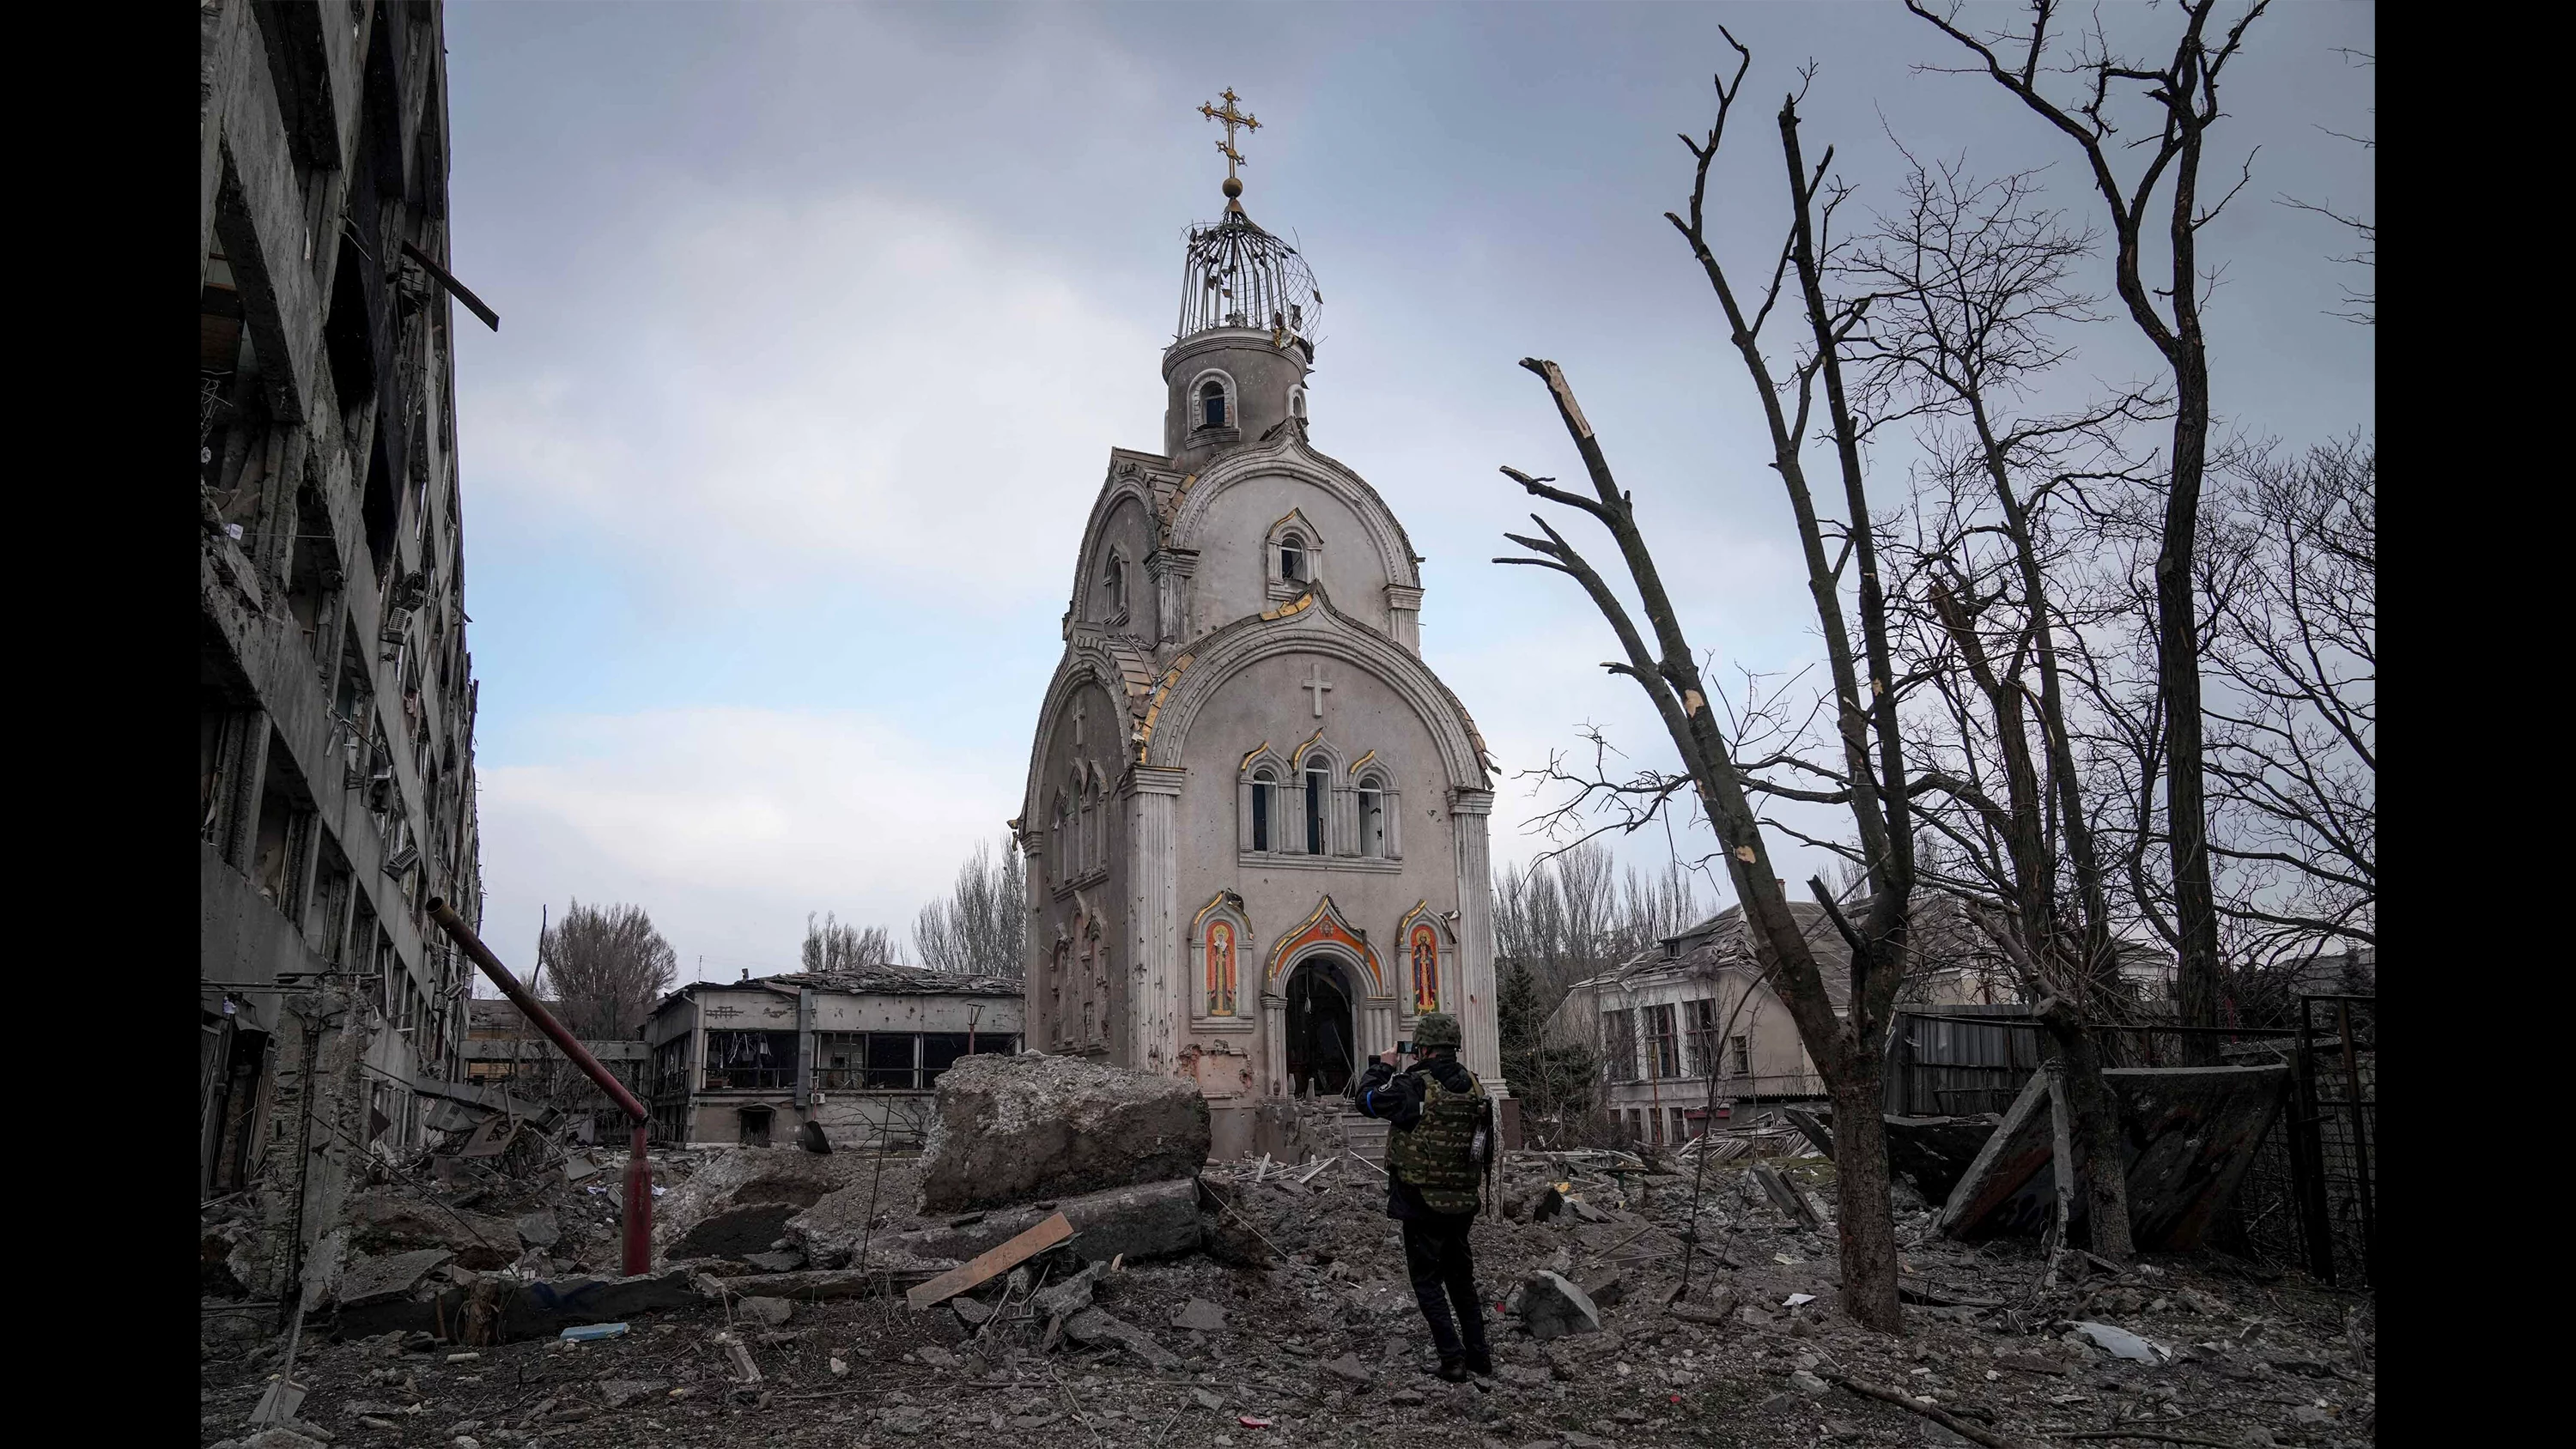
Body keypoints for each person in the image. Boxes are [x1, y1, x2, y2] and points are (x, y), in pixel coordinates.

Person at [1354, 1011, 1494, 1382]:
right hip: (1462, 1199)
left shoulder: (1412, 1085)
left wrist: (1382, 1068)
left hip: (1422, 1199)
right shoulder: (1474, 1086)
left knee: (1427, 1281)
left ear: (1423, 1048)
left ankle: (1452, 1360)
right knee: (1461, 1280)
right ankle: (1479, 1357)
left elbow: (1365, 1101)